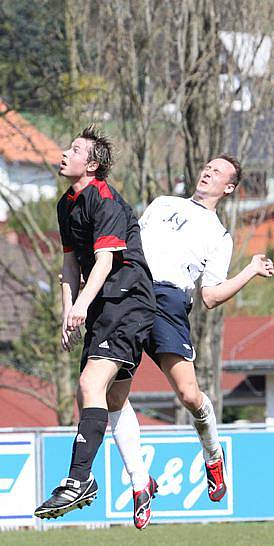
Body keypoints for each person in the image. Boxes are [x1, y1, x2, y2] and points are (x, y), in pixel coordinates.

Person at [106, 155, 274, 517]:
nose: (207, 172)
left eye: (217, 172)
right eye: (207, 167)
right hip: (133, 291)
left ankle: (213, 455)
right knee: (111, 392)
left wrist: (250, 271)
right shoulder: (164, 203)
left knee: (188, 394)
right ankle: (139, 481)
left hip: (169, 300)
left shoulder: (219, 235)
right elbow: (128, 244)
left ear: (228, 188)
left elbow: (210, 297)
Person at [34, 125, 157, 529]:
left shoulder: (104, 198)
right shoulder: (65, 205)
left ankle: (79, 480)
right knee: (109, 400)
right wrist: (69, 311)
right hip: (103, 303)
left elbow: (104, 263)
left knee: (89, 386)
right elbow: (70, 266)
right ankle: (142, 481)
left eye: (74, 149)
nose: (64, 153)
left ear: (92, 164)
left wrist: (82, 305)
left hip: (128, 301)